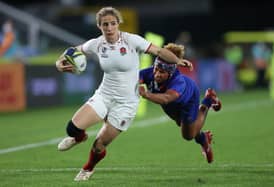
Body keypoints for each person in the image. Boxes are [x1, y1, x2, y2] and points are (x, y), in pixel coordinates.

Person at [55, 7, 193, 181]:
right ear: (99, 26)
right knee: (72, 129)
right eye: (105, 24)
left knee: (99, 145)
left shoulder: (131, 41)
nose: (110, 28)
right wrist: (59, 63)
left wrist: (177, 60)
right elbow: (72, 51)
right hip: (104, 95)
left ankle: (88, 168)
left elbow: (159, 51)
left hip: (126, 103)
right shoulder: (96, 44)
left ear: (118, 24)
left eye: (113, 23)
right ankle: (79, 137)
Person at [139, 43, 222, 164]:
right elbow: (135, 78)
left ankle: (208, 101)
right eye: (156, 69)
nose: (156, 74)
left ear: (171, 72)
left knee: (188, 135)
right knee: (182, 124)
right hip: (171, 104)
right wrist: (136, 83)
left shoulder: (178, 81)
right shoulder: (150, 72)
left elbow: (167, 98)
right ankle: (203, 138)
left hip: (187, 100)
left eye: (162, 72)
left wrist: (146, 94)